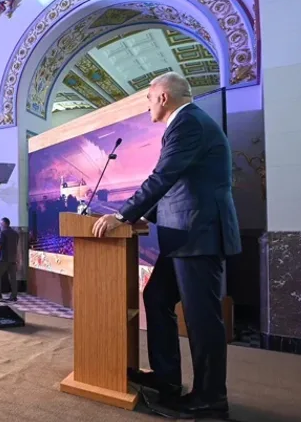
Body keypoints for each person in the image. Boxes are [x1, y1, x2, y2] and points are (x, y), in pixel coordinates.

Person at [92, 72, 239, 419]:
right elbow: (179, 185)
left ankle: (210, 398)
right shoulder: (188, 123)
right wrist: (147, 217)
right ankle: (167, 378)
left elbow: (164, 176)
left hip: (199, 235)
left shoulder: (188, 122)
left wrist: (124, 215)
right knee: (156, 298)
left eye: (147, 98)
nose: (146, 106)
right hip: (183, 235)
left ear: (162, 97)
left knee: (203, 320)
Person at [0, 218, 18, 302]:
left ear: (4, 224)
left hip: (3, 259)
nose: (0, 225)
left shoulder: (2, 233)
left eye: (1, 224)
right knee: (13, 278)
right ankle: (14, 296)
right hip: (13, 259)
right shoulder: (15, 233)